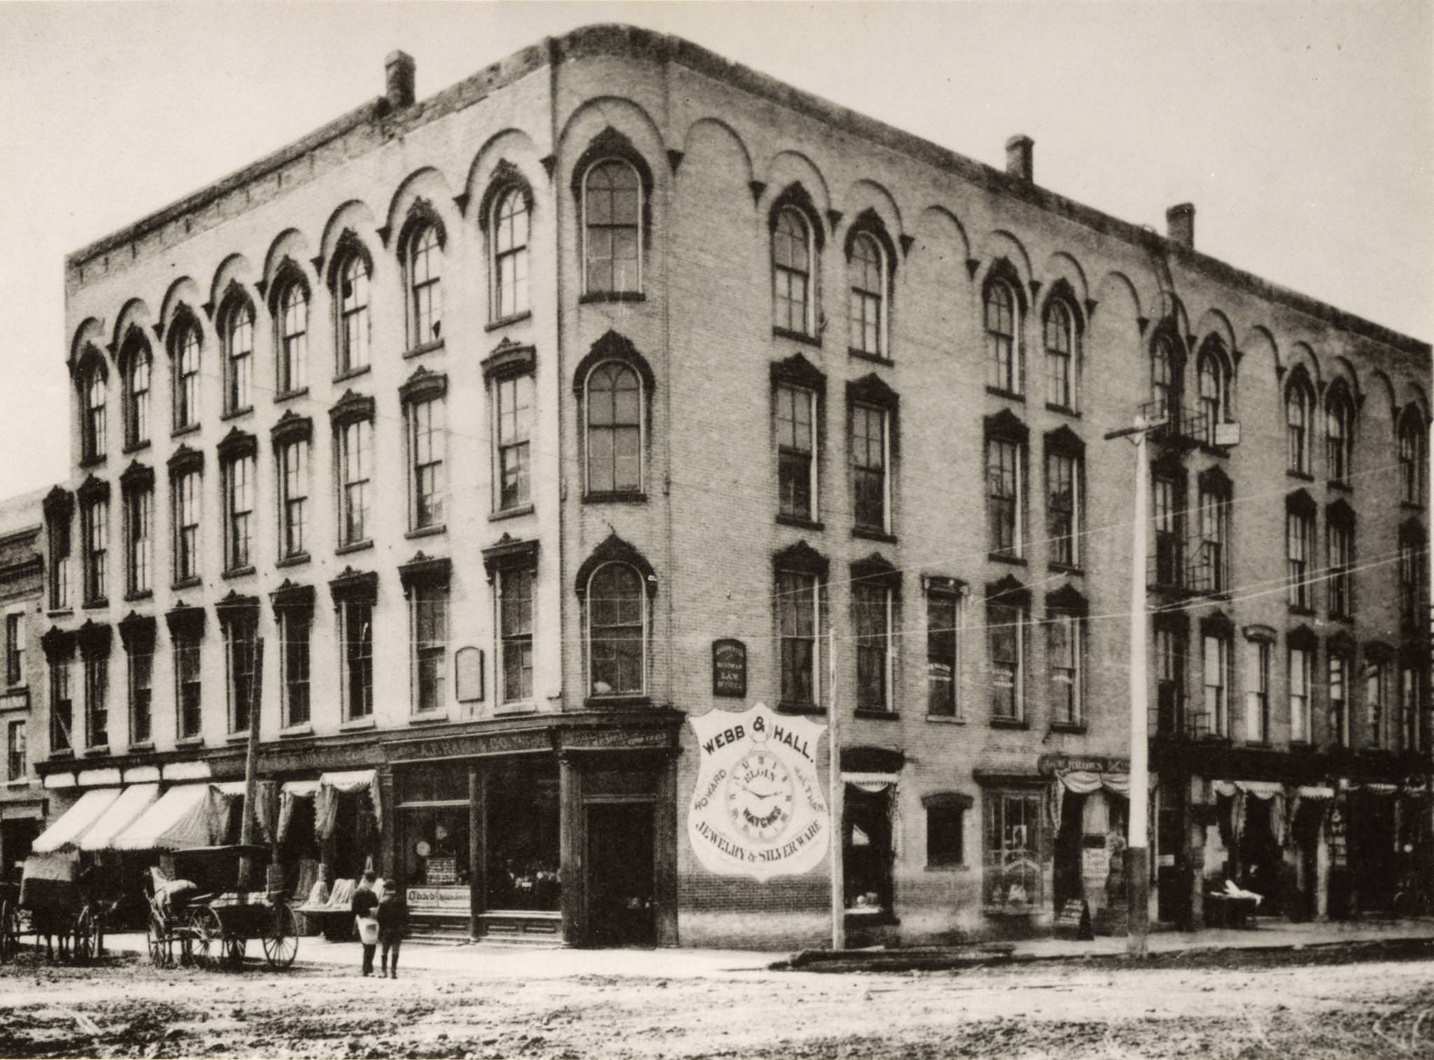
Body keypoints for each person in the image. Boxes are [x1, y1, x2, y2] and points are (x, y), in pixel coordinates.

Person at [376, 879, 408, 979]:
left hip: (386, 928)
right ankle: (393, 972)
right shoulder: (401, 900)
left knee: (384, 950)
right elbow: (406, 916)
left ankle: (384, 971)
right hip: (398, 929)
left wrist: (381, 928)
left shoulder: (383, 901)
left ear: (386, 889)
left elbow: (379, 917)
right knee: (395, 950)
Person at [351, 870, 379, 976]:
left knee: (368, 944)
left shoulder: (362, 893)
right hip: (366, 919)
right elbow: (355, 909)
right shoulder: (363, 893)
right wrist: (369, 911)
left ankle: (367, 967)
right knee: (369, 945)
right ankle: (367, 968)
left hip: (366, 920)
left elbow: (354, 909)